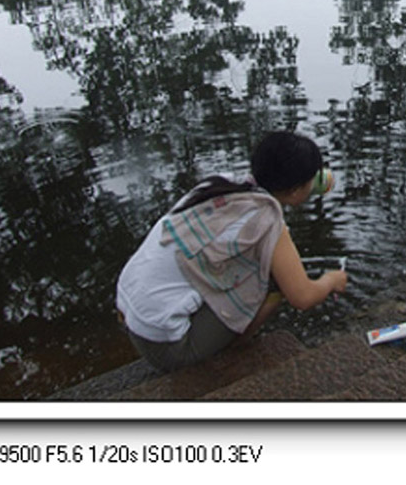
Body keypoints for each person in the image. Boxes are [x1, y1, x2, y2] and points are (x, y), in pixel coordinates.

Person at [115, 131, 347, 373]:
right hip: (167, 348)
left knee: (256, 263)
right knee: (275, 281)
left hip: (130, 308)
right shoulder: (267, 221)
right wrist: (331, 281)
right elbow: (303, 297)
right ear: (296, 191)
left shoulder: (219, 185)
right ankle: (234, 350)